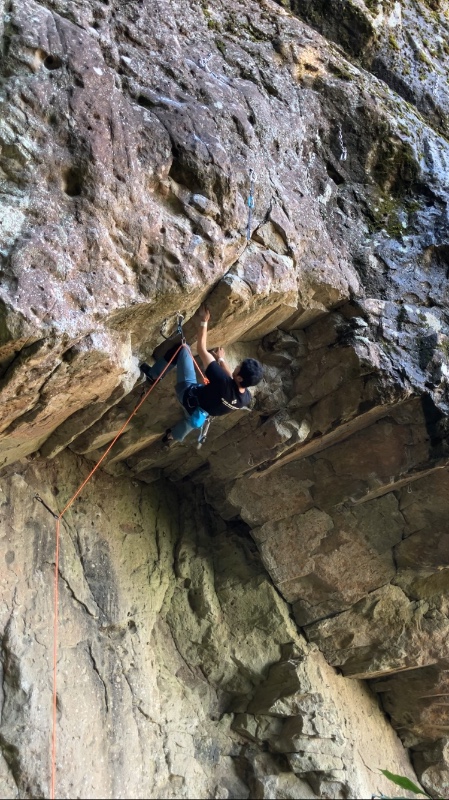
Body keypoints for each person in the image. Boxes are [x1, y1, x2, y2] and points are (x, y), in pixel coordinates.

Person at [140, 305, 263, 443]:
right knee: (192, 420)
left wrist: (204, 321)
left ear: (240, 377)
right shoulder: (245, 398)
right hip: (201, 413)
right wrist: (221, 359)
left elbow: (201, 349)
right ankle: (171, 437)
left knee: (183, 348)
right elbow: (231, 378)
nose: (237, 366)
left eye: (239, 367)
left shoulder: (222, 381)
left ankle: (154, 375)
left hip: (187, 394)